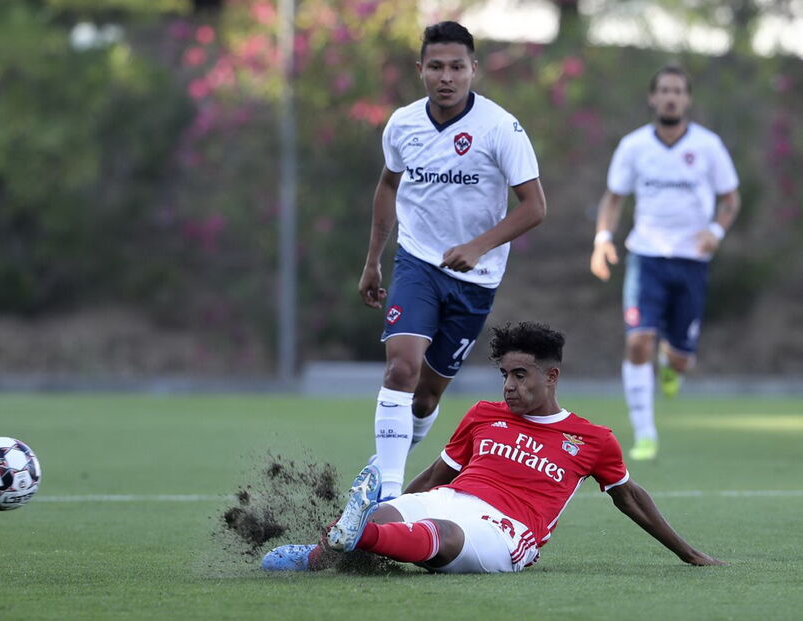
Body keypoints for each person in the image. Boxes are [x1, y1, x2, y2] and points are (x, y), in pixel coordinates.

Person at [262, 322, 722, 573]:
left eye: (519, 375)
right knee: (387, 515)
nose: (508, 385)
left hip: (507, 530)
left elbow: (630, 499)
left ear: (550, 377)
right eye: (504, 375)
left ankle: (346, 538)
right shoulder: (483, 414)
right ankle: (324, 555)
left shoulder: (592, 439)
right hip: (454, 496)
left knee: (443, 535)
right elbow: (439, 473)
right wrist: (401, 503)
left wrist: (688, 553)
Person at [359, 21, 546, 500]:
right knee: (401, 368)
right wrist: (373, 260)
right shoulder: (402, 123)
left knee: (425, 395)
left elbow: (534, 207)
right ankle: (388, 492)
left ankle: (391, 458)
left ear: (473, 70)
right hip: (417, 263)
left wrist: (478, 245)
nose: (446, 77)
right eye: (436, 66)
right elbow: (387, 184)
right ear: (420, 69)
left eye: (457, 67)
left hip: (475, 279)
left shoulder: (500, 128)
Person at [589, 64, 741, 461]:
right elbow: (614, 197)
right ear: (652, 98)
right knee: (637, 339)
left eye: (678, 91)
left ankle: (671, 363)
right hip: (647, 257)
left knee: (680, 358)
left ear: (687, 99)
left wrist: (716, 231)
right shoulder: (634, 146)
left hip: (692, 262)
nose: (671, 97)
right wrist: (603, 238)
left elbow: (730, 199)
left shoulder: (708, 146)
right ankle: (645, 433)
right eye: (665, 90)